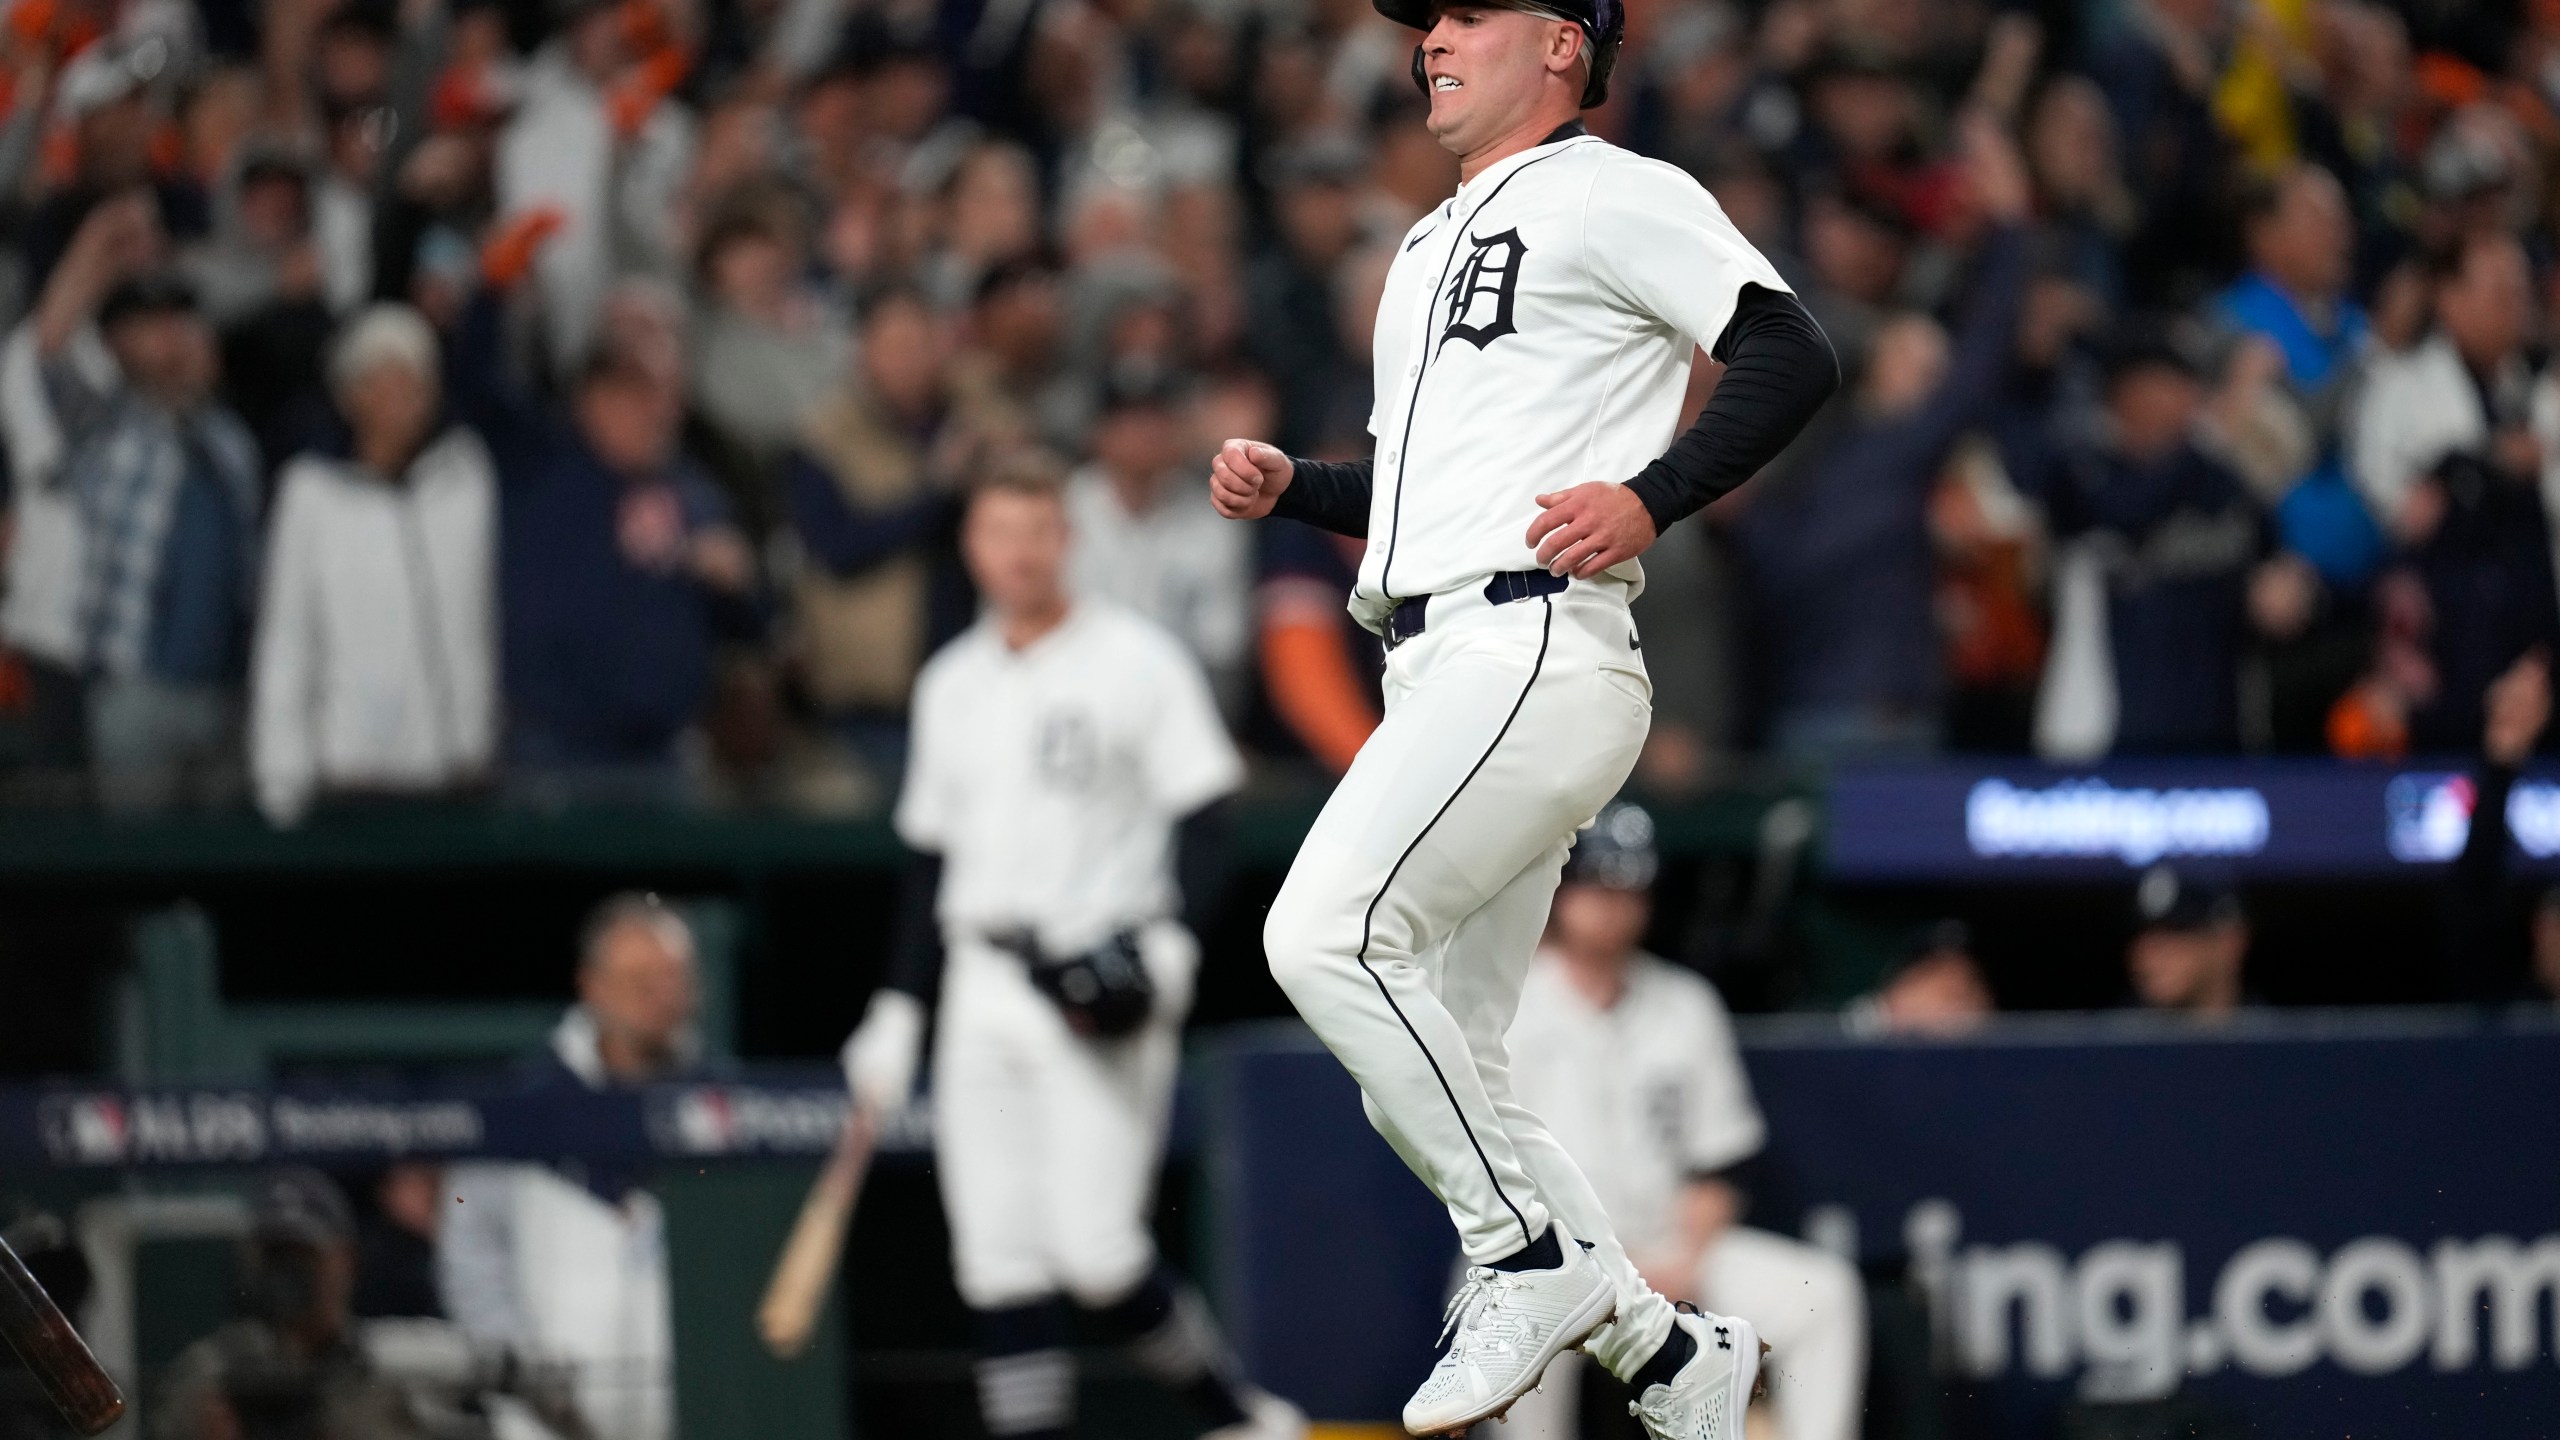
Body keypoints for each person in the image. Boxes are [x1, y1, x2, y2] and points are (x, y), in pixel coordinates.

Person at [1207, 0, 1838, 1430]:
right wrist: (1298, 491)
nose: (1432, 36)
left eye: (1468, 12)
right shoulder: (1427, 240)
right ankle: (1668, 1355)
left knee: (1321, 938)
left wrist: (1653, 497)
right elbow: (1434, 490)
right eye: (1425, 17)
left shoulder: (1615, 189)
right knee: (1432, 1062)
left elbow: (1794, 354)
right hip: (1439, 653)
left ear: (1563, 42)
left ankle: (1526, 1254)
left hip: (1533, 647)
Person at [837, 475, 1303, 1440]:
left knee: (1095, 1252)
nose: (1018, 551)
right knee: (998, 1263)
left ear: (1067, 536)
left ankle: (1242, 1418)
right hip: (979, 977)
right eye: (997, 530)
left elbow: (1209, 812)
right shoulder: (951, 681)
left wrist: (1171, 942)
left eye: (1036, 530)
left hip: (1095, 977)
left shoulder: (1135, 661)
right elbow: (930, 858)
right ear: (970, 543)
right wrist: (896, 1005)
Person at [1499, 803, 1868, 1440]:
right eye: (1598, 886)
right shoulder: (1506, 1004)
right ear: (1560, 892)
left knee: (1822, 1292)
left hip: (1670, 1249)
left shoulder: (1684, 1005)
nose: (1613, 905)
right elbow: (1488, 1170)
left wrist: (1683, 1260)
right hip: (1554, 1256)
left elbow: (1720, 1161)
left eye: (1629, 889)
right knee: (1516, 1305)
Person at [1, 198, 263, 813]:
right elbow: (48, 349)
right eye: (152, 325)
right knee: (134, 862)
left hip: (227, 695)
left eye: (183, 321)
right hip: (134, 690)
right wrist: (100, 239)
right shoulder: (105, 424)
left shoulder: (232, 443)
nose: (173, 338)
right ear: (117, 344)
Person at [440, 894, 707, 1440]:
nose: (659, 997)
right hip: (548, 1422)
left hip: (689, 1416)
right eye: (639, 981)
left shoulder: (720, 1108)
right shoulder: (523, 1107)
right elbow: (467, 1235)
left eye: (671, 979)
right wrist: (521, 1373)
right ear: (594, 986)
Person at [250, 303, 497, 826]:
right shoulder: (312, 495)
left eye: (416, 379)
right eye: (386, 379)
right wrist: (281, 779)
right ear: (351, 395)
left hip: (455, 777)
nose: (405, 396)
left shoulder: (465, 481)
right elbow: (287, 638)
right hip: (350, 778)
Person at [2124, 866, 2253, 1019]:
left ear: (2229, 941)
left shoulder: (2274, 1033)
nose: (2151, 953)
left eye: (2176, 930)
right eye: (2143, 935)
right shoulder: (2109, 1036)